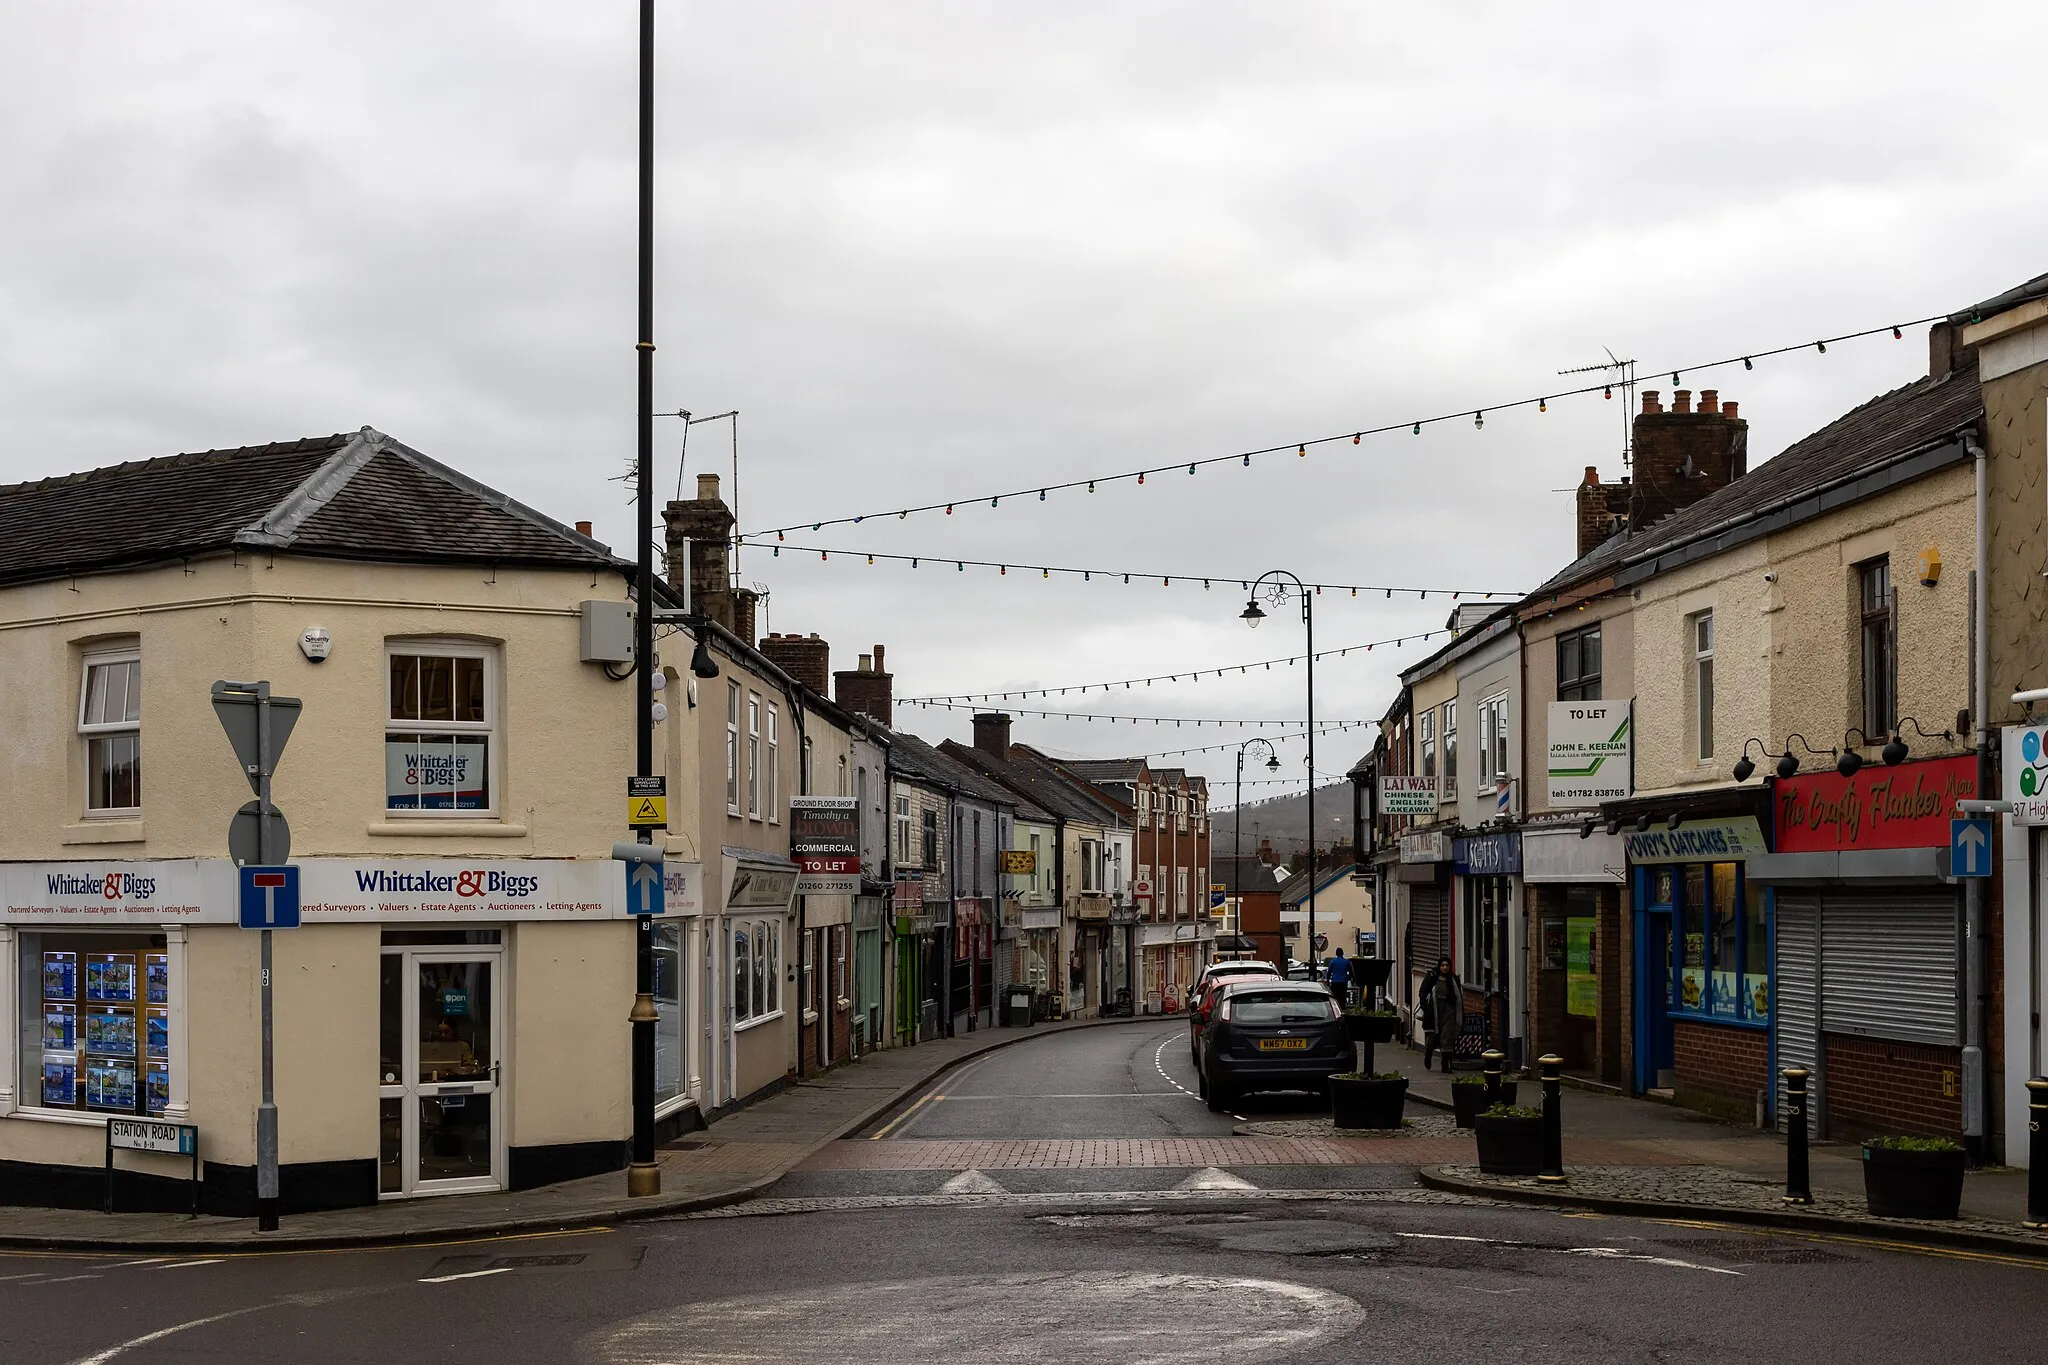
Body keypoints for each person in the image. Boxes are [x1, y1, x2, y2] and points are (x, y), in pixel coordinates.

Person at [1421, 957, 1464, 1071]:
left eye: (1447, 966)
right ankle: (1428, 1054)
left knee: (1446, 1038)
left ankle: (1445, 1065)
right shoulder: (1432, 977)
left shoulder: (1453, 979)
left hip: (1449, 1012)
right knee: (1432, 1039)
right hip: (1434, 1011)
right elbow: (1423, 992)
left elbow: (1458, 996)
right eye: (1443, 965)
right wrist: (1425, 1006)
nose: (1445, 968)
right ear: (1439, 966)